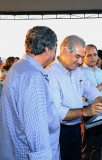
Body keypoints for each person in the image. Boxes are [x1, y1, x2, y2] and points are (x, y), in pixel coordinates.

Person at [0, 26, 60, 159]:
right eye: (55, 47)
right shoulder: (33, 77)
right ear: (47, 49)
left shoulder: (19, 67)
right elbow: (36, 132)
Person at [47, 35, 102, 160]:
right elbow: (57, 112)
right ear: (65, 51)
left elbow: (89, 89)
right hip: (60, 131)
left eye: (82, 57)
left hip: (76, 127)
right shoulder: (51, 74)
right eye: (77, 56)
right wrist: (85, 111)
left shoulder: (76, 70)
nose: (81, 61)